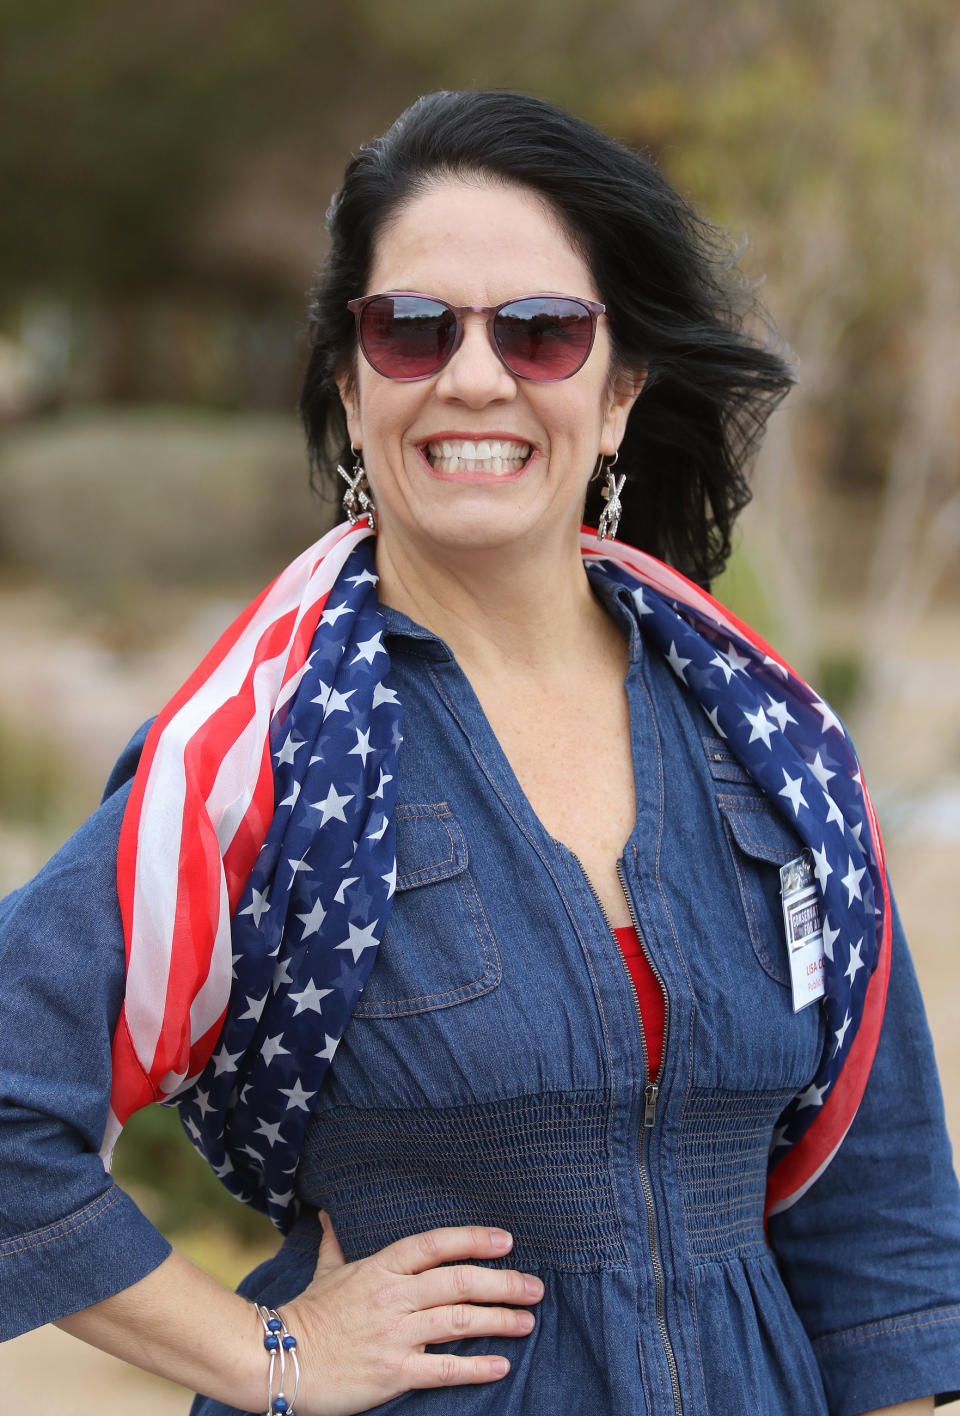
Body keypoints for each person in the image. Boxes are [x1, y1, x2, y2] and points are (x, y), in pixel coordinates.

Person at [1, 89, 959, 1416]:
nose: (472, 375)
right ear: (350, 380)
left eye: (542, 331)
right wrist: (266, 1354)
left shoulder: (770, 745)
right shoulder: (262, 761)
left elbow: (884, 1233)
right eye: (411, 329)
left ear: (619, 391)